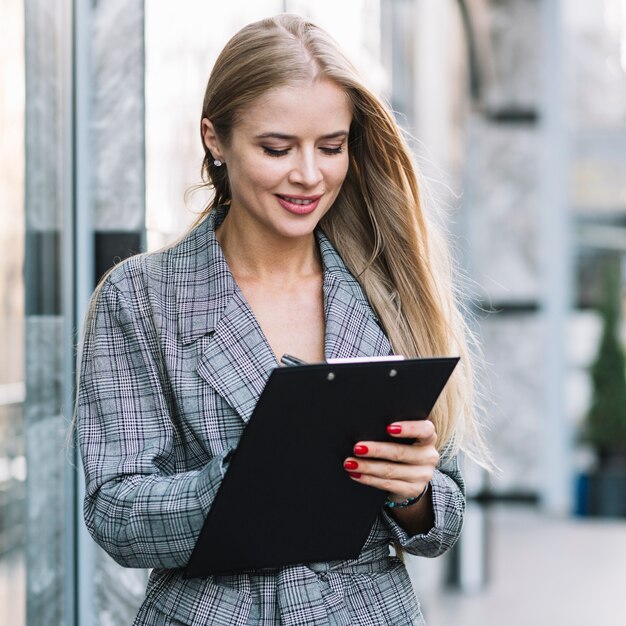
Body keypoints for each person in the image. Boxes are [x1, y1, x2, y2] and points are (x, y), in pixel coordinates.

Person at [77, 13, 488, 626]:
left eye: (331, 146)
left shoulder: (390, 289)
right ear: (214, 139)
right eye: (276, 148)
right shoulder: (140, 297)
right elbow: (114, 512)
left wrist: (412, 491)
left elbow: (442, 520)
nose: (309, 174)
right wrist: (238, 482)